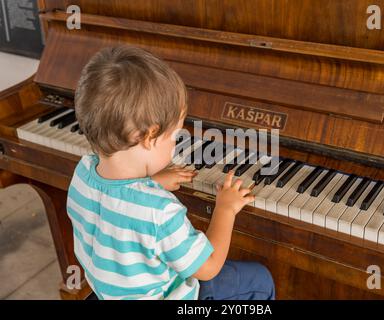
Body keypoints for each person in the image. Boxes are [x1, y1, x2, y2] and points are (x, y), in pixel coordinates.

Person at [66, 45, 275, 300]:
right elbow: (208, 268)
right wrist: (225, 209)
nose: (176, 143)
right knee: (259, 280)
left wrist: (149, 181)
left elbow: (118, 203)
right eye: (175, 136)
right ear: (149, 136)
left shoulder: (83, 172)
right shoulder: (158, 211)